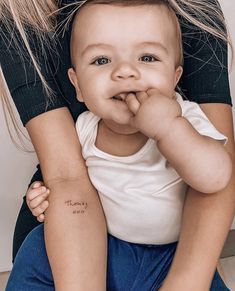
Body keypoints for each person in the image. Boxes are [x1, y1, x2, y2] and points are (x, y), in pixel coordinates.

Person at [1, 0, 234, 290]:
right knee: (36, 249)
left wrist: (170, 130)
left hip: (170, 253)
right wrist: (44, 198)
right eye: (102, 60)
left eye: (147, 58)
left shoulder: (185, 118)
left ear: (176, 76)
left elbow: (216, 177)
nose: (125, 71)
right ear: (78, 85)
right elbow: (67, 180)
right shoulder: (84, 129)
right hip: (98, 245)